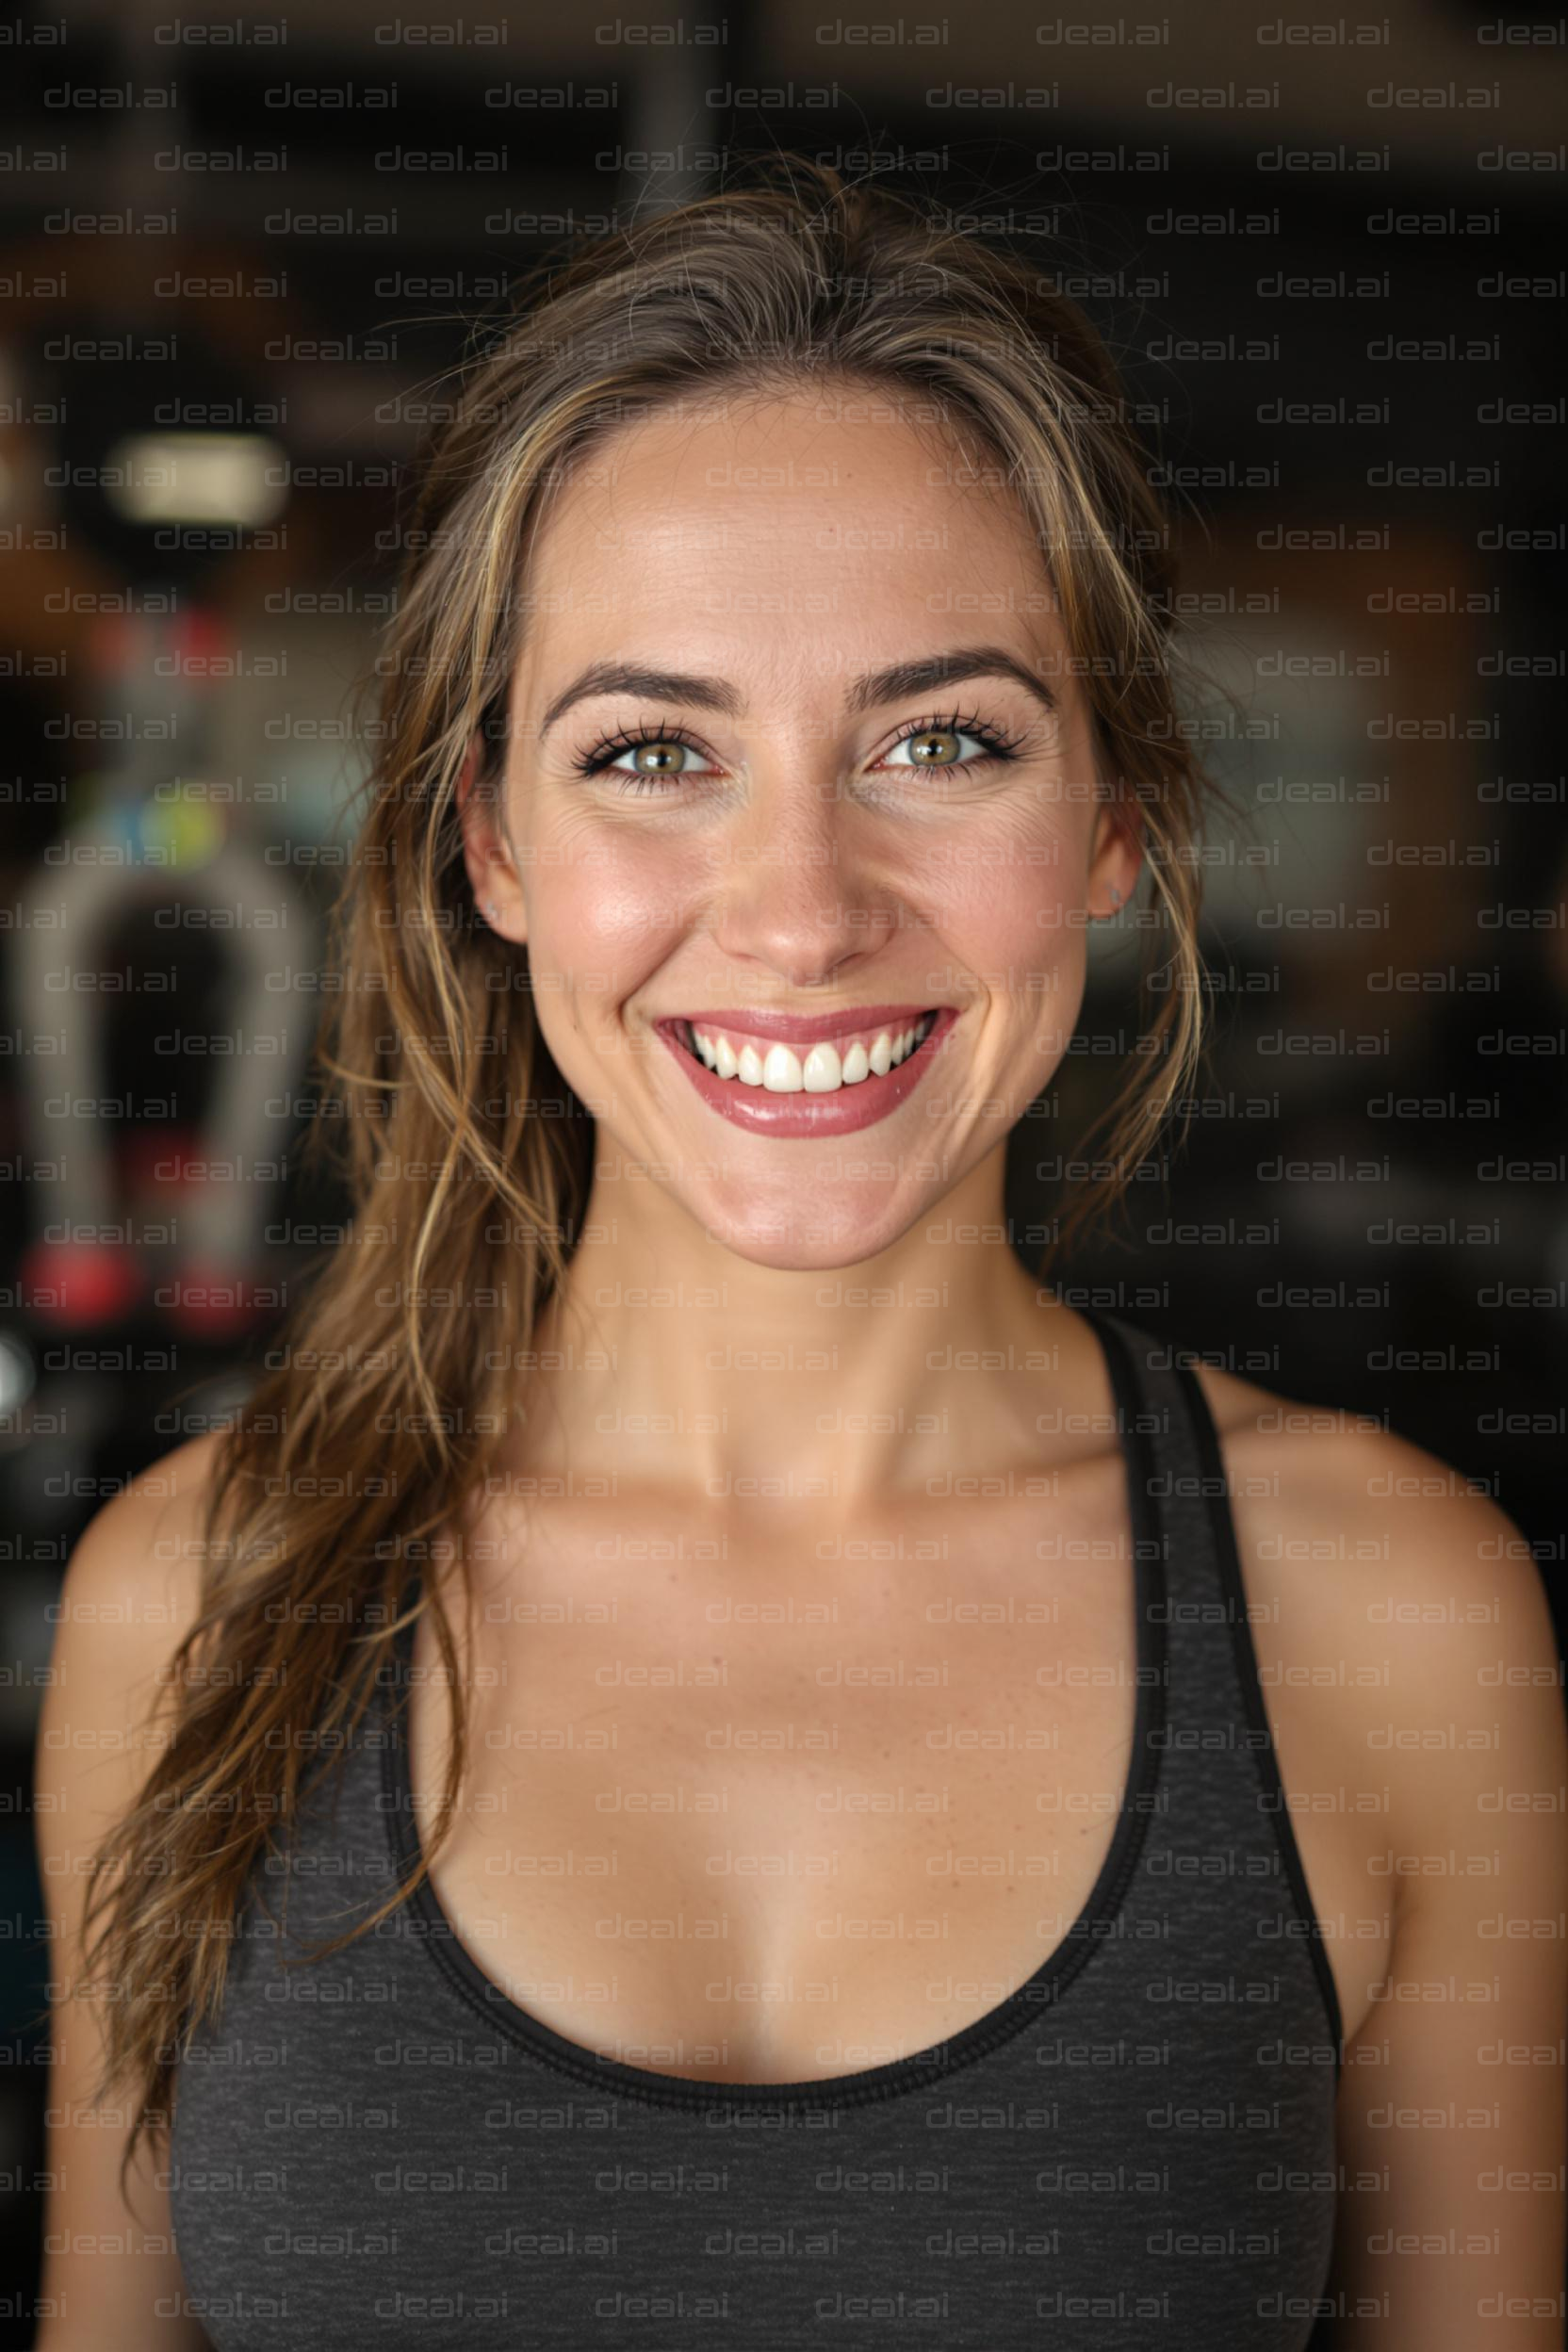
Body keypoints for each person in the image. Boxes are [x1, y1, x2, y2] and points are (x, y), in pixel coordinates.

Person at [33, 158, 1566, 2351]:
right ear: (492, 841)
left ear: (1119, 815)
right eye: (653, 753)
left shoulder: (1391, 1616)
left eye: (938, 744)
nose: (799, 907)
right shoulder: (201, 1600)